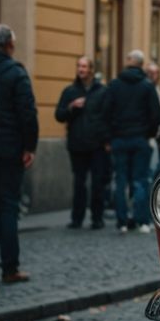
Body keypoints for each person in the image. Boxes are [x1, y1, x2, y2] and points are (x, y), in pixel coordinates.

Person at [0, 24, 38, 284]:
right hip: (10, 147)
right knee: (8, 207)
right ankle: (9, 267)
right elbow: (27, 112)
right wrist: (30, 146)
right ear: (9, 46)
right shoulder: (14, 71)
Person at [104, 50, 160, 233]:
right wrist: (149, 134)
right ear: (141, 64)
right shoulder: (147, 86)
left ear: (128, 63)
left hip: (119, 138)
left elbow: (105, 112)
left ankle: (122, 222)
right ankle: (141, 221)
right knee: (140, 180)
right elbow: (156, 115)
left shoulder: (114, 85)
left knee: (121, 180)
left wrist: (109, 137)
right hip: (140, 138)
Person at [55, 56, 108, 230]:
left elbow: (109, 116)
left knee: (97, 183)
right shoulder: (70, 91)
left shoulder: (102, 91)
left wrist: (107, 140)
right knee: (79, 182)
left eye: (84, 66)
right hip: (77, 144)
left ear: (91, 69)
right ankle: (77, 218)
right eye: (79, 66)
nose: (81, 69)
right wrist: (71, 107)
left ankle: (97, 218)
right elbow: (59, 115)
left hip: (97, 145)